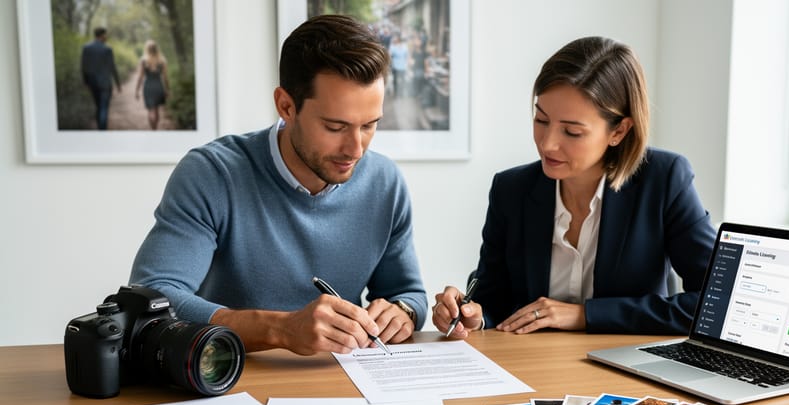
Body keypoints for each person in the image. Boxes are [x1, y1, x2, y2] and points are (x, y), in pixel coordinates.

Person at [130, 15, 426, 356]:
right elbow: (152, 296)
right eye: (335, 127)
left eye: (369, 125)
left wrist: (402, 312)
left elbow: (408, 293)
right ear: (286, 106)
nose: (356, 149)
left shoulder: (385, 182)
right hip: (229, 378)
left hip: (344, 382)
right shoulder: (211, 174)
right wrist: (280, 329)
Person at [432, 36, 716, 338]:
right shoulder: (510, 189)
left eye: (572, 131)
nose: (547, 143)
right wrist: (473, 316)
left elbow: (715, 303)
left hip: (625, 369)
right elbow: (493, 299)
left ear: (619, 131)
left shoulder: (665, 179)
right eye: (541, 120)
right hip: (536, 368)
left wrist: (585, 315)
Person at [80, 27, 121, 130]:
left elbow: (84, 66)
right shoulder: (107, 49)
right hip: (105, 83)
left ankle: (100, 130)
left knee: (98, 107)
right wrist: (118, 83)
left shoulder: (86, 48)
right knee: (103, 108)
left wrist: (85, 82)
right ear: (102, 35)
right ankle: (102, 131)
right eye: (105, 35)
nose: (106, 37)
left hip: (93, 83)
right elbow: (112, 67)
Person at [134, 40, 170, 130]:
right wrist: (167, 89)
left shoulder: (143, 60)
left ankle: (152, 129)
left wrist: (137, 90)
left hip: (148, 87)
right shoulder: (162, 60)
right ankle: (155, 129)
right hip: (158, 86)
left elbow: (140, 77)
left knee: (151, 110)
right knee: (157, 110)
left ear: (147, 49)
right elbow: (165, 77)